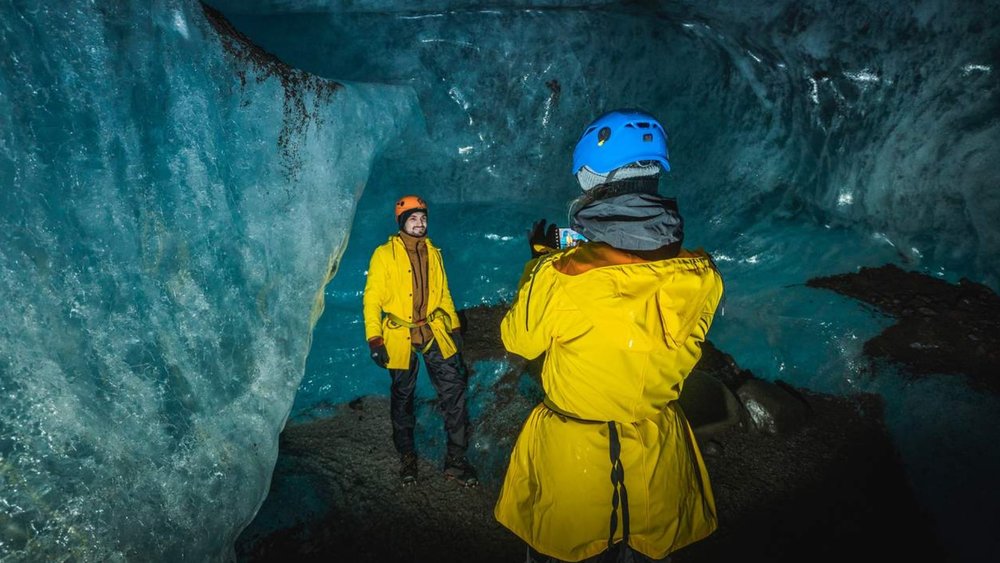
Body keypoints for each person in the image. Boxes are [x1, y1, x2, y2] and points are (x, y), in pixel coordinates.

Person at [494, 109, 724, 562]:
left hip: (575, 464)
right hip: (658, 457)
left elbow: (518, 340)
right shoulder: (702, 275)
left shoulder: (561, 275)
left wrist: (539, 264)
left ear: (592, 177)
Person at [362, 194, 478, 487]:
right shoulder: (383, 254)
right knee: (403, 399)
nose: (420, 223)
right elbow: (372, 298)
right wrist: (374, 338)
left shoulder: (434, 252)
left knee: (454, 391)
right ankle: (408, 458)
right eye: (413, 218)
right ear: (402, 222)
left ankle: (456, 460)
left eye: (423, 218)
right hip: (399, 334)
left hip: (433, 330)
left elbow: (445, 293)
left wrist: (453, 328)